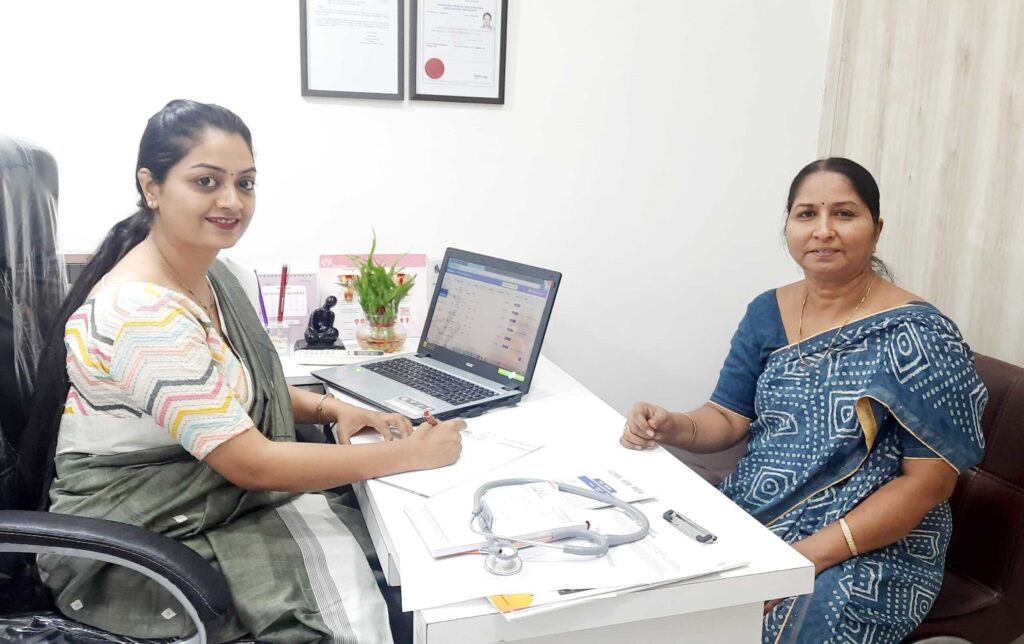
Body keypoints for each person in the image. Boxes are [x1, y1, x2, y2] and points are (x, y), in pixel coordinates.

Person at [25, 99, 465, 643]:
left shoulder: (215, 272)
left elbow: (233, 386)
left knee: (405, 560)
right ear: (152, 186)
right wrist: (413, 455)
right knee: (393, 592)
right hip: (140, 548)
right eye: (206, 181)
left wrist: (334, 408)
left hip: (203, 504)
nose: (232, 201)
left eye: (246, 183)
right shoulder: (142, 314)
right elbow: (250, 465)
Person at [619, 158, 986, 643]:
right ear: (788, 226)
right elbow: (727, 418)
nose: (824, 231)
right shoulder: (767, 310)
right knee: (654, 593)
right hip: (756, 514)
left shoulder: (920, 335)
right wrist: (672, 426)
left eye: (845, 214)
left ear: (876, 231)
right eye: (807, 214)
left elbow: (926, 487)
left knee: (788, 623)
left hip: (874, 542)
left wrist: (804, 561)